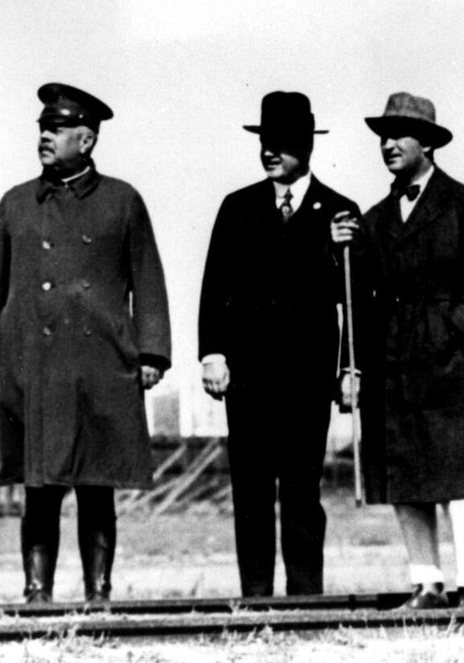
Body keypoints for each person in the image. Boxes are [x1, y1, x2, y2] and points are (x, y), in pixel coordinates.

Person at [0, 83, 172, 604]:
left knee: (97, 485)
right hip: (33, 364)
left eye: (56, 130)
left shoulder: (122, 200)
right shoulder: (15, 203)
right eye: (42, 128)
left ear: (87, 139)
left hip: (101, 364)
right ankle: (37, 594)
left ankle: (98, 594)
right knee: (40, 486)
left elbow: (147, 279)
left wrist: (151, 353)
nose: (44, 137)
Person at [330, 92, 464, 610]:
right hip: (392, 364)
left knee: (460, 479)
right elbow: (355, 299)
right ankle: (427, 583)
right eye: (383, 137)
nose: (388, 145)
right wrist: (352, 363)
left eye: (399, 135)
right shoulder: (373, 219)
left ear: (428, 143)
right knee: (405, 480)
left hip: (455, 366)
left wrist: (449, 333)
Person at [198, 91, 360, 598]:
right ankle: (256, 597)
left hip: (309, 378)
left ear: (307, 144)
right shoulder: (237, 207)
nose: (271, 151)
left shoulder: (339, 212)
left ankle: (305, 599)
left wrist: (351, 369)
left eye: (283, 142)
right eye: (265, 141)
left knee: (301, 490)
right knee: (249, 490)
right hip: (247, 377)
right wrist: (213, 352)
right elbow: (214, 287)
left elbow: (354, 300)